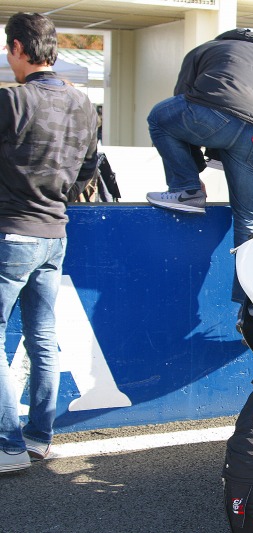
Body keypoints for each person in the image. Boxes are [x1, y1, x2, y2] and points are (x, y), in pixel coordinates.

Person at [0, 12, 98, 474]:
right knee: (42, 335)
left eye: (8, 48)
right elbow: (87, 170)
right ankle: (38, 438)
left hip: (11, 233)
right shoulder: (83, 104)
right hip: (54, 233)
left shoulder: (11, 101)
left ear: (19, 48)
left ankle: (7, 444)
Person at [146, 28, 253, 303]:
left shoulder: (205, 50)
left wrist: (193, 172)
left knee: (159, 117)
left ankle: (186, 190)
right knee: (252, 221)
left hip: (218, 116)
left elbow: (184, 100)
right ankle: (250, 307)